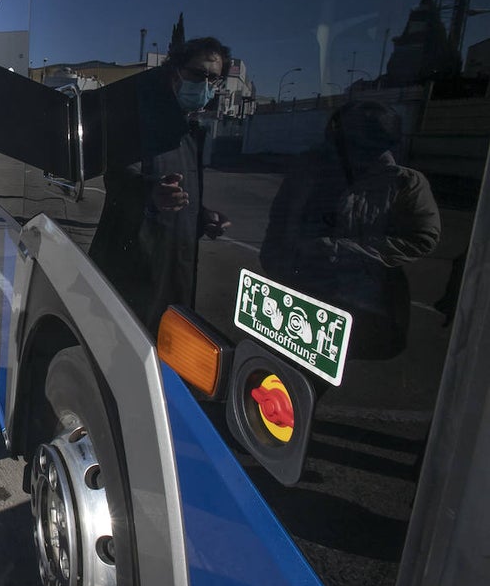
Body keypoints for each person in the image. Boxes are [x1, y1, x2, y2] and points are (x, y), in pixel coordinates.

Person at [260, 100, 441, 361]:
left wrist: (339, 250)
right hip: (297, 292)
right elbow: (280, 219)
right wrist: (273, 261)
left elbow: (422, 238)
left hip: (359, 303)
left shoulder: (405, 183)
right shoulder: (309, 169)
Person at [86, 36, 232, 334]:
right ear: (174, 72)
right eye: (198, 74)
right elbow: (118, 178)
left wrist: (202, 218)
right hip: (133, 274)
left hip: (174, 277)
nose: (206, 85)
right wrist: (151, 193)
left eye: (214, 79)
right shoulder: (140, 120)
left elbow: (180, 198)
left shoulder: (190, 133)